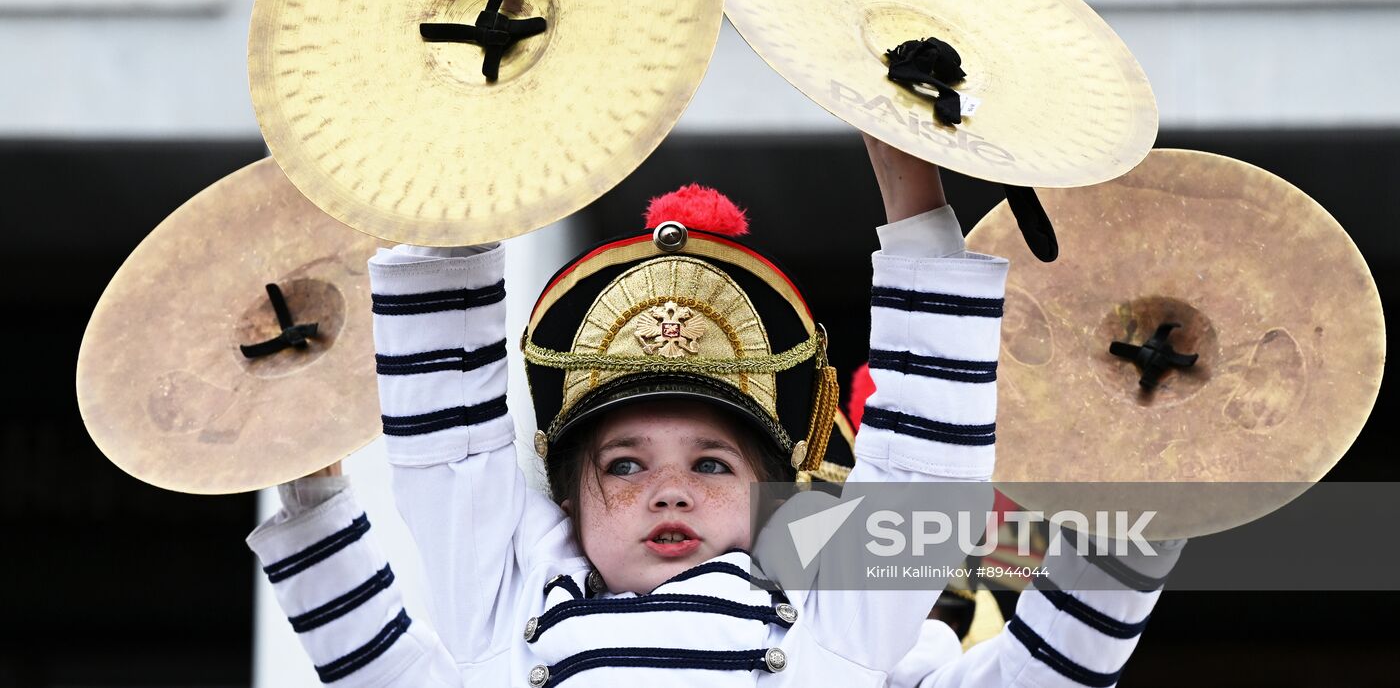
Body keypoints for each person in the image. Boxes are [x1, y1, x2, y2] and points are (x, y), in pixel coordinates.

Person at [247, 135, 1177, 686]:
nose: (668, 493)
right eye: (623, 464)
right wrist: (306, 476)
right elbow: (450, 454)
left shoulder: (829, 629)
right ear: (564, 499)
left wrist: (909, 170)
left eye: (711, 463)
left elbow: (927, 472)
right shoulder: (511, 610)